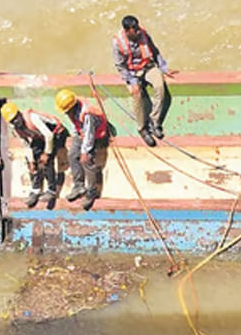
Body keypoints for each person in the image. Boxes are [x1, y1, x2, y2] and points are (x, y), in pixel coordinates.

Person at [112, 15, 179, 147]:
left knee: (160, 87)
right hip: (132, 73)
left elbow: (154, 51)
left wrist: (164, 68)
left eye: (137, 28)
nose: (137, 32)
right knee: (137, 95)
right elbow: (120, 66)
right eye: (134, 30)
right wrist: (132, 82)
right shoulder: (117, 43)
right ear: (127, 31)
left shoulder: (143, 33)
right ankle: (142, 129)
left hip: (148, 67)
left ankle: (155, 121)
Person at [0, 102, 68, 209]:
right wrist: (31, 161)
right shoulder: (16, 129)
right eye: (12, 121)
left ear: (19, 114)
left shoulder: (32, 118)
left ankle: (52, 189)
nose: (16, 122)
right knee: (33, 158)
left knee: (46, 160)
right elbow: (27, 145)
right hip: (40, 138)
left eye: (16, 118)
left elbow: (49, 135)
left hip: (56, 132)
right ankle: (35, 189)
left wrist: (46, 153)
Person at [55, 89, 112, 211]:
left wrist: (85, 151)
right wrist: (76, 139)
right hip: (82, 134)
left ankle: (91, 191)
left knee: (87, 161)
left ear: (72, 107)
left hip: (96, 136)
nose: (66, 114)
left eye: (67, 111)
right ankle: (78, 186)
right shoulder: (73, 110)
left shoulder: (88, 114)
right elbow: (76, 126)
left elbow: (90, 134)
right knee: (72, 155)